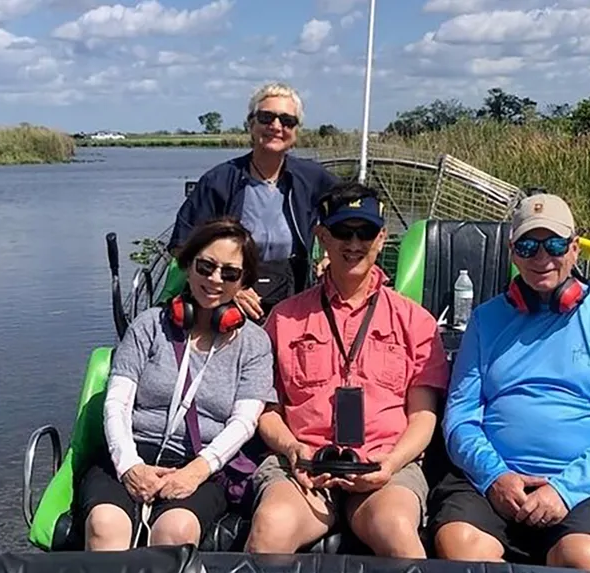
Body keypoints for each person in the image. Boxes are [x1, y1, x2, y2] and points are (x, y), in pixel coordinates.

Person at [427, 193, 590, 571]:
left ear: (575, 249)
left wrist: (565, 490)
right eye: (529, 246)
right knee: (458, 545)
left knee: (581, 557)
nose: (542, 258)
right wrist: (494, 476)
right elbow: (460, 419)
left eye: (554, 244)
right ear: (513, 253)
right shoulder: (485, 321)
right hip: (494, 484)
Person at [244, 181, 450, 558]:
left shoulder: (415, 321)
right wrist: (294, 448)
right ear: (322, 235)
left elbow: (422, 415)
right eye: (342, 231)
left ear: (382, 238)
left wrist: (389, 464)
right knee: (270, 528)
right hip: (302, 467)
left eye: (365, 232)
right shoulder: (284, 318)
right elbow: (267, 410)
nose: (354, 243)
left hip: (384, 467)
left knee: (398, 532)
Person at [79, 217, 277, 551]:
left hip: (203, 462)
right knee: (105, 524)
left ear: (243, 281)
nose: (214, 280)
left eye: (229, 273)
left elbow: (244, 422)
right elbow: (117, 403)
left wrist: (196, 472)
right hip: (133, 451)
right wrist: (129, 466)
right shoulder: (148, 326)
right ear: (188, 265)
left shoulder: (255, 344)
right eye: (206, 266)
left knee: (176, 529)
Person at [167, 82, 340, 322]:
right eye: (266, 117)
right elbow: (182, 245)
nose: (276, 126)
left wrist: (332, 252)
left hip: (294, 295)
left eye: (287, 120)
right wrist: (230, 287)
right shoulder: (219, 180)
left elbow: (355, 207)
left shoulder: (311, 178)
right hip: (228, 301)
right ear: (251, 124)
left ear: (296, 131)